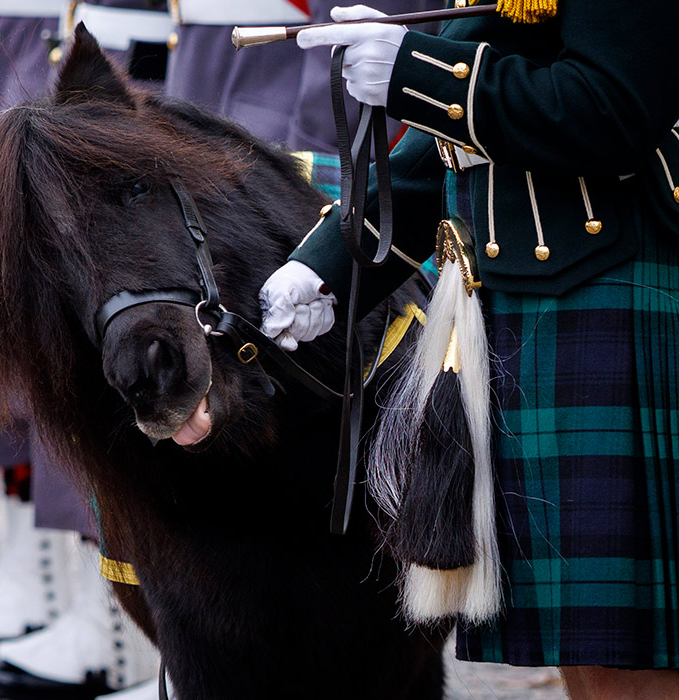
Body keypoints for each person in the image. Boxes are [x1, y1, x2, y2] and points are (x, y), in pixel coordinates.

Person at [259, 3, 679, 698]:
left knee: (630, 659)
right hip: (534, 301)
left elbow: (614, 106)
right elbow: (443, 152)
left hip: (612, 293)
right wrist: (328, 268)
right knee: (587, 652)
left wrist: (416, 70)